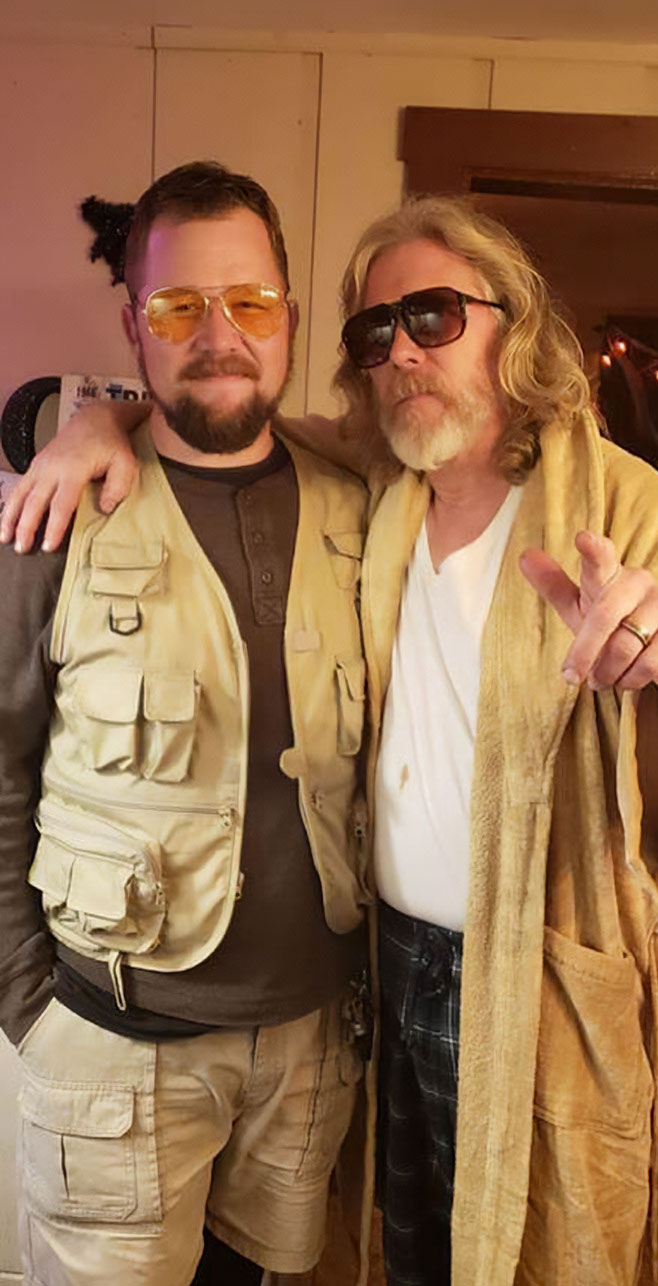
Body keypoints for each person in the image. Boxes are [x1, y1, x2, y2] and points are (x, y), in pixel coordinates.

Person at [4, 195, 658, 1286]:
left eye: (432, 316)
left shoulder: (630, 510)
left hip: (540, 988)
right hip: (378, 974)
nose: (402, 354)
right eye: (374, 333)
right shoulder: (378, 485)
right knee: (396, 1252)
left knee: (542, 1255)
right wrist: (90, 423)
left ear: (511, 322)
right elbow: (212, 398)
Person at [0, 160, 372, 1286]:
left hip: (308, 1053)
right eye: (179, 306)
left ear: (290, 317)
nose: (220, 334)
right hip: (110, 1046)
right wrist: (27, 1005)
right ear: (134, 323)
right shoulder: (56, 516)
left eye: (250, 302)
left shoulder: (364, 504)